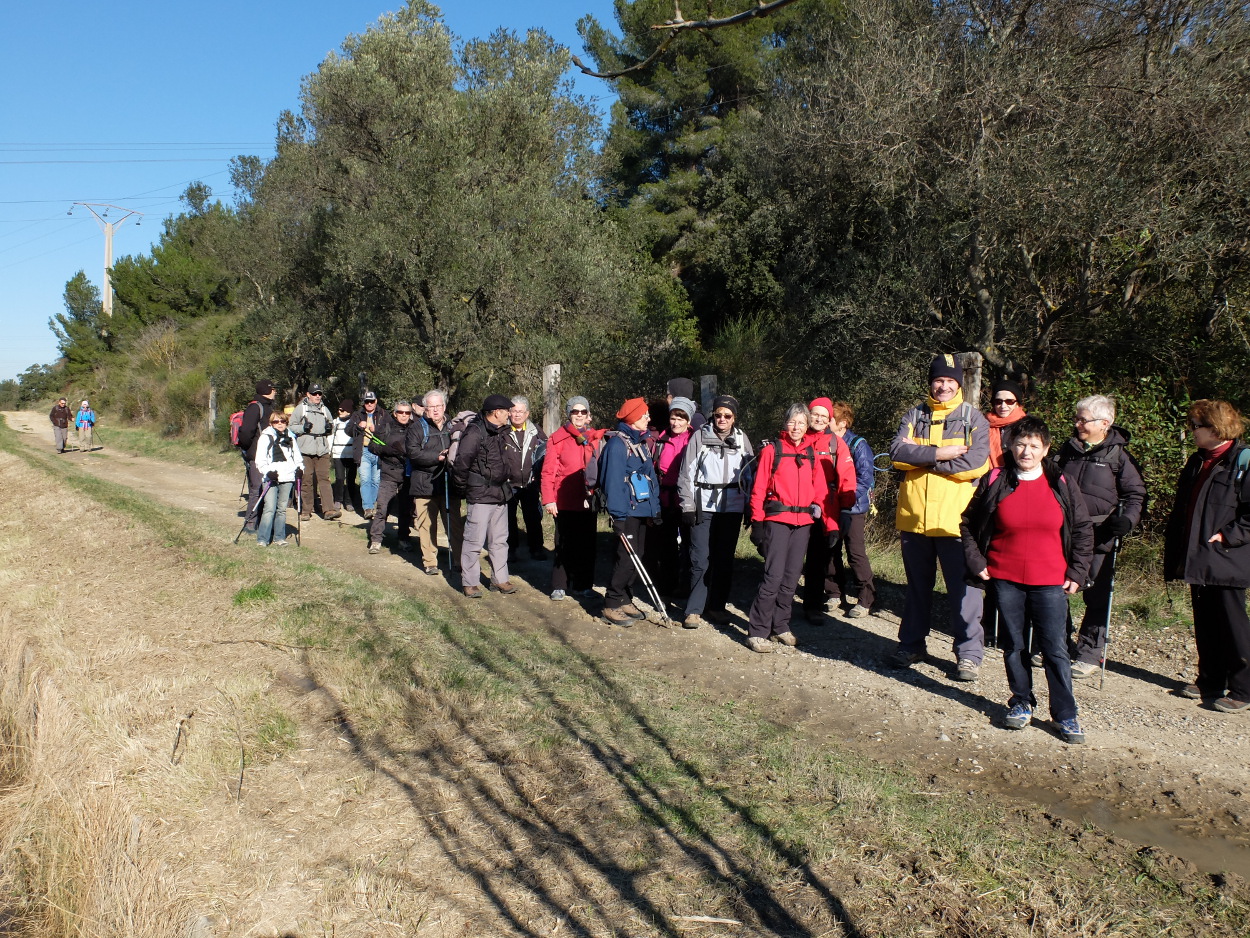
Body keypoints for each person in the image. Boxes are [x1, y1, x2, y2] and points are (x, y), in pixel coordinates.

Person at [961, 416, 1094, 744]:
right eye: (1020, 443)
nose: (1026, 451)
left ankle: (1065, 714)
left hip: (1051, 580)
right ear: (1009, 445)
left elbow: (1082, 528)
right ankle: (1021, 701)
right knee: (1014, 646)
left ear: (1046, 449)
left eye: (1035, 445)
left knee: (1055, 649)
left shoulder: (1061, 482)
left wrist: (1078, 571)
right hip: (1005, 578)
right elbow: (967, 523)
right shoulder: (995, 479)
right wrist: (976, 562)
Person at [888, 354, 991, 681]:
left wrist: (921, 456)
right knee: (918, 588)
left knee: (965, 593)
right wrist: (941, 453)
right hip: (914, 518)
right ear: (930, 382)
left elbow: (975, 464)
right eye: (938, 380)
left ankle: (969, 655)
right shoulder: (914, 413)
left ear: (959, 383)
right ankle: (912, 644)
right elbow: (895, 453)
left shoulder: (973, 418)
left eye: (950, 381)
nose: (943, 386)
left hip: (954, 521)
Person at [1163, 400, 1250, 713]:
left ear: (1215, 428)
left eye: (1196, 425)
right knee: (1206, 622)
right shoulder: (1197, 461)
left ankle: (1243, 688)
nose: (1192, 431)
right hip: (1198, 554)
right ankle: (1210, 680)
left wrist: (1229, 535)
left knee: (1232, 623)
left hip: (1228, 557)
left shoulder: (1243, 461)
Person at [1053, 394, 1146, 679]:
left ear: (1105, 423)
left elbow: (1135, 495)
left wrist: (1126, 521)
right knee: (1056, 590)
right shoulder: (1066, 450)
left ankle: (1090, 652)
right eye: (1077, 418)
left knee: (1096, 595)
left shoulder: (1118, 456)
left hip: (1100, 534)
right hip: (1062, 533)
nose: (1077, 423)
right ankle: (1058, 642)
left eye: (1083, 419)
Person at [745, 403, 834, 652]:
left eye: (801, 423)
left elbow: (820, 489)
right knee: (773, 576)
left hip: (803, 522)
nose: (796, 427)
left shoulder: (811, 453)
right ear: (785, 423)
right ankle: (758, 631)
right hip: (777, 520)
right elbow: (759, 488)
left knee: (792, 577)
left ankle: (781, 625)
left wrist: (824, 515)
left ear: (807, 427)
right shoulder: (772, 450)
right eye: (792, 422)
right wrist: (757, 522)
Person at [678, 394, 753, 628]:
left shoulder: (742, 440)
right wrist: (687, 506)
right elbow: (685, 475)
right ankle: (693, 610)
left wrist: (750, 507)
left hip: (732, 508)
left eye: (727, 415)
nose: (722, 418)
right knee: (700, 558)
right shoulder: (699, 437)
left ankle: (717, 607)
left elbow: (751, 476)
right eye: (718, 414)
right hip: (703, 506)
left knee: (723, 560)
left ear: (734, 418)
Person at [600, 397, 661, 626]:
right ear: (634, 418)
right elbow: (613, 483)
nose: (649, 418)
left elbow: (650, 478)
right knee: (626, 557)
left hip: (642, 510)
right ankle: (611, 603)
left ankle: (625, 598)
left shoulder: (640, 443)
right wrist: (618, 516)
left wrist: (655, 510)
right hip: (627, 511)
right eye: (645, 415)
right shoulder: (617, 445)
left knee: (638, 556)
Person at [541, 396, 607, 601]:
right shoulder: (557, 438)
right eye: (575, 412)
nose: (579, 415)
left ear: (588, 415)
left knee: (587, 545)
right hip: (565, 499)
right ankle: (560, 584)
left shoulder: (596, 438)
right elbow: (548, 472)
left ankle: (583, 585)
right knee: (564, 544)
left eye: (583, 412)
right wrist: (549, 499)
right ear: (569, 414)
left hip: (588, 500)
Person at [453, 394, 516, 597]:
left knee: (499, 540)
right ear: (497, 412)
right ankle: (469, 582)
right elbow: (461, 463)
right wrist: (465, 489)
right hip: (480, 494)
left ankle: (500, 579)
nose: (509, 414)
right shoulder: (474, 432)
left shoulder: (501, 432)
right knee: (474, 541)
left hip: (500, 493)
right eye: (507, 410)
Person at [801, 397, 857, 623]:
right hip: (794, 508)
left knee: (816, 561)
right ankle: (779, 605)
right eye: (815, 414)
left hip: (824, 512)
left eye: (825, 416)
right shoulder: (797, 437)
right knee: (790, 561)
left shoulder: (837, 444)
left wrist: (845, 511)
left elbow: (847, 480)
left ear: (830, 420)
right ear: (808, 414)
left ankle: (812, 607)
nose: (819, 419)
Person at [644, 395, 696, 598]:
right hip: (664, 500)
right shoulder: (660, 440)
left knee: (689, 546)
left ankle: (686, 586)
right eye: (673, 417)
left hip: (687, 501)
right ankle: (666, 586)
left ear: (689, 420)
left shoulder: (695, 440)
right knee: (666, 546)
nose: (676, 422)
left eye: (681, 418)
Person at [409, 390, 464, 576]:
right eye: (431, 407)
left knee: (454, 524)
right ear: (425, 409)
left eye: (438, 406)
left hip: (449, 484)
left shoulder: (454, 426)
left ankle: (459, 559)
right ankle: (430, 562)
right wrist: (437, 457)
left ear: (444, 407)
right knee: (427, 525)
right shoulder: (417, 428)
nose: (435, 410)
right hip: (425, 484)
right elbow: (413, 453)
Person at [829, 401, 876, 617]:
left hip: (854, 507)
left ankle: (865, 599)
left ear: (842, 423)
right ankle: (834, 592)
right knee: (831, 549)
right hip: (831, 506)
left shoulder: (858, 445)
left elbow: (865, 478)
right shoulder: (827, 443)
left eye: (830, 418)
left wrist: (845, 500)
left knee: (855, 552)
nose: (824, 422)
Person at [503, 396, 548, 560]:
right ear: (509, 412)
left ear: (527, 413)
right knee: (508, 519)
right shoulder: (502, 431)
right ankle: (510, 550)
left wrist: (539, 475)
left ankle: (536, 548)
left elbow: (545, 454)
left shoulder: (536, 431)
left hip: (530, 483)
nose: (517, 415)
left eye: (520, 411)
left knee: (533, 517)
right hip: (508, 483)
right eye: (514, 411)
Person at [365, 400, 413, 554]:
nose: (404, 415)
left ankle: (403, 539)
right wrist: (386, 450)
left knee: (406, 510)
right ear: (395, 413)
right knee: (382, 507)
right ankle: (376, 539)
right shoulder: (385, 427)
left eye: (407, 413)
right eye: (401, 412)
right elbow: (372, 445)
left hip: (407, 474)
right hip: (388, 474)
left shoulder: (415, 428)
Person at [254, 410, 305, 547]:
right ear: (271, 423)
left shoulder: (291, 437)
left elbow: (297, 457)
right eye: (276, 421)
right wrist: (268, 472)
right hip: (271, 478)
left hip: (288, 477)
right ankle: (262, 539)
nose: (280, 424)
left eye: (282, 421)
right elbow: (260, 460)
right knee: (269, 508)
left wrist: (300, 469)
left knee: (281, 509)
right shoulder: (266, 437)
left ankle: (279, 537)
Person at [290, 385, 341, 521]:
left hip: (322, 449)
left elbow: (331, 424)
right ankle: (306, 510)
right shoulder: (301, 408)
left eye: (319, 393)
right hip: (305, 449)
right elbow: (291, 426)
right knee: (307, 479)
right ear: (308, 394)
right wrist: (302, 428)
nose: (317, 396)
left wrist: (330, 428)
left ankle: (329, 510)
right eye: (314, 393)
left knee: (324, 479)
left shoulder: (325, 409)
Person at [238, 380, 278, 533]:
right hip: (256, 455)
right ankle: (250, 523)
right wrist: (249, 450)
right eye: (273, 389)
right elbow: (246, 432)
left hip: (270, 455)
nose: (275, 391)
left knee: (267, 489)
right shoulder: (255, 407)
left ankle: (263, 522)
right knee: (256, 489)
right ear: (267, 390)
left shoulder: (267, 407)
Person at [348, 391, 387, 519]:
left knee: (376, 480)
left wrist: (377, 429)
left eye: (371, 401)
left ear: (376, 401)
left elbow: (391, 430)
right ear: (364, 403)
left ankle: (373, 503)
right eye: (367, 402)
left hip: (378, 452)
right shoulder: (357, 415)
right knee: (365, 480)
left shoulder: (383, 414)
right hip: (363, 451)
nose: (369, 404)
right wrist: (358, 426)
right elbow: (347, 430)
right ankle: (368, 508)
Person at [986, 379, 1028, 469]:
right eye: (998, 402)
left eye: (1009, 401)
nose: (1003, 406)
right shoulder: (983, 424)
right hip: (990, 477)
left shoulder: (1028, 426)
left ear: (1017, 403)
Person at [330, 398, 359, 514]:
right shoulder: (335, 422)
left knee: (351, 479)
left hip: (351, 454)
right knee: (340, 478)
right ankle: (338, 500)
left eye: (342, 410)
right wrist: (329, 451)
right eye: (339, 410)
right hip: (338, 454)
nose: (340, 412)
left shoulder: (354, 422)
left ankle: (349, 501)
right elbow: (330, 437)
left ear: (349, 411)